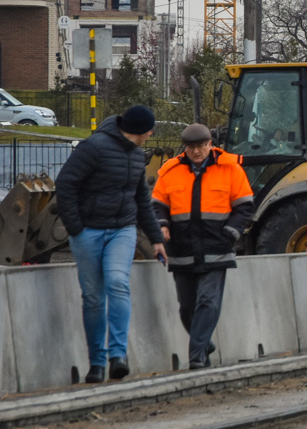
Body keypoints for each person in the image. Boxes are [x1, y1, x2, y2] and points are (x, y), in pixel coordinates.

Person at [55, 104, 167, 383]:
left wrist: (155, 239)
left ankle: (118, 356)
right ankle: (96, 362)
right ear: (144, 131)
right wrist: (76, 228)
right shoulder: (93, 148)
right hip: (88, 232)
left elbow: (142, 200)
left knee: (118, 282)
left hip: (122, 230)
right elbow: (66, 184)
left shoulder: (136, 157)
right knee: (93, 297)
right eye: (150, 132)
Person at [151, 123, 255, 370]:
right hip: (182, 248)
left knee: (207, 302)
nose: (196, 151)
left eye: (200, 146)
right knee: (187, 308)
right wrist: (163, 226)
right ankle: (204, 342)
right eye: (191, 147)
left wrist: (230, 233)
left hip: (216, 246)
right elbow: (157, 204)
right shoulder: (170, 171)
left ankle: (196, 355)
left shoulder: (230, 168)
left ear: (210, 144)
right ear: (185, 147)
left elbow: (245, 206)